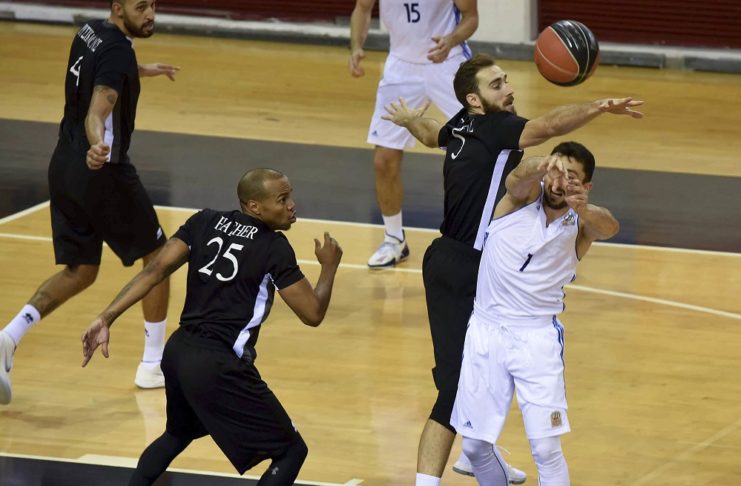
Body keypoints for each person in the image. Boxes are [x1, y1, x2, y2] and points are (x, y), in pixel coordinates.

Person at [382, 53, 642, 486]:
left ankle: (479, 452)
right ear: (475, 99)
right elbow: (550, 127)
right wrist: (598, 106)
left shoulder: (461, 125)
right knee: (454, 390)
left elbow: (430, 134)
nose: (509, 90)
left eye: (506, 80)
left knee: (477, 374)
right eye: (497, 84)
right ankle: (443, 470)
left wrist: (409, 119)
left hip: (447, 261)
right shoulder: (495, 128)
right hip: (471, 267)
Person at [81, 168, 343, 486]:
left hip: (178, 352)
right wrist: (329, 268)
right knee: (291, 451)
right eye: (282, 199)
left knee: (177, 434)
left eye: (290, 197)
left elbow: (155, 270)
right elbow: (312, 313)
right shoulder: (274, 247)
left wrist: (106, 317)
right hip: (218, 364)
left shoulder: (204, 221)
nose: (291, 205)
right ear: (254, 206)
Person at [0, 0, 180, 404]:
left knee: (80, 270)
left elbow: (103, 72)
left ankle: (7, 338)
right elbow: (97, 110)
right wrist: (98, 144)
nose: (150, 14)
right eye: (141, 7)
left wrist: (142, 71)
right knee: (160, 256)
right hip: (102, 170)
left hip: (64, 164)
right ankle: (153, 364)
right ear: (118, 8)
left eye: (153, 5)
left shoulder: (90, 32)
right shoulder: (117, 50)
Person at [450, 144, 619, 485]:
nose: (559, 183)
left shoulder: (582, 224)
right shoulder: (521, 199)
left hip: (537, 338)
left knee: (546, 449)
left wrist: (585, 208)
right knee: (475, 447)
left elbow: (610, 227)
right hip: (486, 331)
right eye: (556, 172)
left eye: (571, 178)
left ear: (586, 186)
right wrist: (542, 164)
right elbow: (516, 177)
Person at [349, 0, 478, 268]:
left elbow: (471, 17)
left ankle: (495, 236)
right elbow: (362, 8)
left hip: (448, 64)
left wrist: (451, 39)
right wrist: (356, 47)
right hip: (401, 68)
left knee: (483, 148)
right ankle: (394, 239)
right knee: (384, 160)